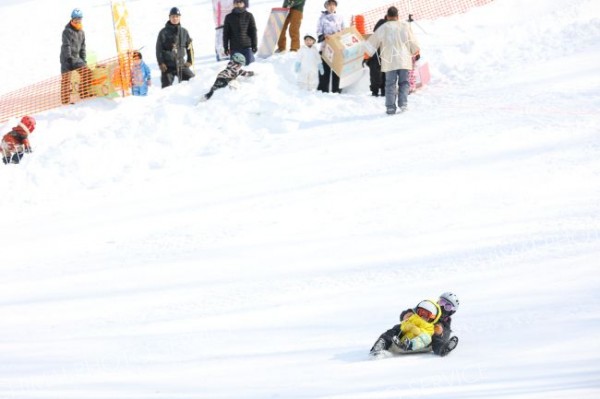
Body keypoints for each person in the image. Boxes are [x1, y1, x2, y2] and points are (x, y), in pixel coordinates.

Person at [365, 6, 420, 114]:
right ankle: (403, 104)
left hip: (389, 62)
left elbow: (372, 42)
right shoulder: (405, 26)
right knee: (404, 83)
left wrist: (367, 55)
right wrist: (416, 52)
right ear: (397, 16)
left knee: (390, 84)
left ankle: (390, 107)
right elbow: (412, 41)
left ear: (387, 16)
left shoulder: (383, 28)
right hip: (403, 60)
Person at [370, 293, 459, 357]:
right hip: (409, 330)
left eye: (447, 306)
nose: (442, 306)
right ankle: (383, 342)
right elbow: (413, 311)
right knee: (396, 328)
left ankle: (442, 349)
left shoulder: (445, 322)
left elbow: (445, 334)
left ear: (452, 311)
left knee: (435, 339)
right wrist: (406, 315)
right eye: (441, 302)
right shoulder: (429, 308)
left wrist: (440, 333)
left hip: (425, 337)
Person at [156, 7, 195, 88]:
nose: (175, 18)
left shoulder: (184, 31)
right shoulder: (163, 32)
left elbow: (189, 48)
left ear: (179, 17)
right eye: (173, 16)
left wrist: (190, 61)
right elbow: (158, 49)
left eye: (177, 16)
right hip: (167, 66)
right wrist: (161, 63)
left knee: (193, 81)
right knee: (166, 88)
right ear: (169, 17)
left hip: (181, 64)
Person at [60, 8, 93, 104]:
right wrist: (68, 57)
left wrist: (83, 59)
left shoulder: (82, 32)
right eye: (75, 19)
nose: (77, 20)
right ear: (72, 19)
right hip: (66, 58)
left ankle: (84, 94)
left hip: (76, 58)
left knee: (87, 72)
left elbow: (83, 47)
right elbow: (67, 45)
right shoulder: (67, 31)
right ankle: (65, 102)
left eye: (79, 19)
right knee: (66, 79)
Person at [316, 0, 345, 93]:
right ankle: (323, 90)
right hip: (326, 47)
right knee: (325, 69)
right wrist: (323, 36)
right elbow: (318, 31)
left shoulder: (340, 17)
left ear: (335, 6)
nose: (331, 6)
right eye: (329, 5)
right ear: (326, 6)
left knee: (337, 69)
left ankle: (337, 91)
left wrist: (341, 37)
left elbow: (344, 30)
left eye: (333, 4)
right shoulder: (322, 18)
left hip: (337, 47)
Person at [223, 0, 258, 66]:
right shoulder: (228, 17)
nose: (238, 3)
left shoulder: (249, 16)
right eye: (236, 2)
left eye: (240, 2)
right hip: (234, 49)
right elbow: (226, 34)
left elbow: (253, 32)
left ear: (244, 4)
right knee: (235, 70)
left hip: (247, 48)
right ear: (233, 4)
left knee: (250, 68)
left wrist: (254, 45)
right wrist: (225, 47)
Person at [365, 15, 387, 97]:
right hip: (375, 57)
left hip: (383, 57)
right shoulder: (376, 37)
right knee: (376, 75)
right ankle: (376, 91)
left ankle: (382, 90)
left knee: (383, 74)